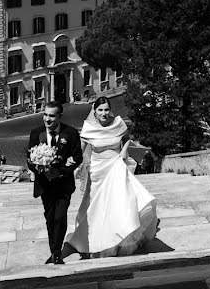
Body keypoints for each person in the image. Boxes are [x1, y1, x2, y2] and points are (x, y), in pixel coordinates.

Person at [64, 97, 158, 260]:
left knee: (122, 204)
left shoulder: (118, 123)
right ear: (94, 111)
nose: (104, 113)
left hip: (116, 166)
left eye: (106, 109)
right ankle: (95, 241)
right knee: (96, 209)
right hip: (98, 171)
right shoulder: (88, 128)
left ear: (110, 110)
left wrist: (124, 151)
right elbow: (81, 150)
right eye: (100, 110)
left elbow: (127, 138)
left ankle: (119, 239)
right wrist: (77, 164)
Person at [27, 101, 82, 265]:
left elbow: (77, 157)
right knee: (50, 219)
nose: (47, 119)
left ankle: (57, 253)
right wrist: (40, 168)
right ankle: (53, 250)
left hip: (63, 185)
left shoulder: (70, 133)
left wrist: (61, 172)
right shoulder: (36, 133)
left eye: (51, 115)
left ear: (60, 116)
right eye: (45, 115)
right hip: (44, 185)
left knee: (60, 217)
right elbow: (29, 159)